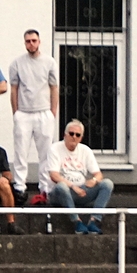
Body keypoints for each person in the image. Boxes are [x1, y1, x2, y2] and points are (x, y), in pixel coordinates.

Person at [9, 29, 59, 201]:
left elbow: (54, 87)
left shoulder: (49, 62)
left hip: (44, 112)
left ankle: (45, 188)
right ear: (24, 43)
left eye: (34, 40)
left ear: (39, 41)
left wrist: (52, 112)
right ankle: (20, 187)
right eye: (28, 41)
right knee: (20, 152)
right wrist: (16, 112)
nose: (31, 44)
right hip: (24, 113)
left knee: (45, 153)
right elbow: (14, 89)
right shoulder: (17, 63)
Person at [46, 120, 115, 235]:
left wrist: (93, 180)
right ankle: (76, 221)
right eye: (71, 133)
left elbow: (98, 174)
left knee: (107, 184)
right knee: (62, 186)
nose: (74, 137)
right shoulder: (55, 149)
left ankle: (94, 221)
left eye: (77, 135)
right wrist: (73, 187)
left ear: (81, 138)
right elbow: (54, 175)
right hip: (60, 193)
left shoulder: (85, 150)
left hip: (81, 190)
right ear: (65, 135)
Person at [0, 145, 24, 234]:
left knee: (4, 184)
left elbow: (7, 174)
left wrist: (5, 178)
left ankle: (11, 223)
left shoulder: (0, 152)